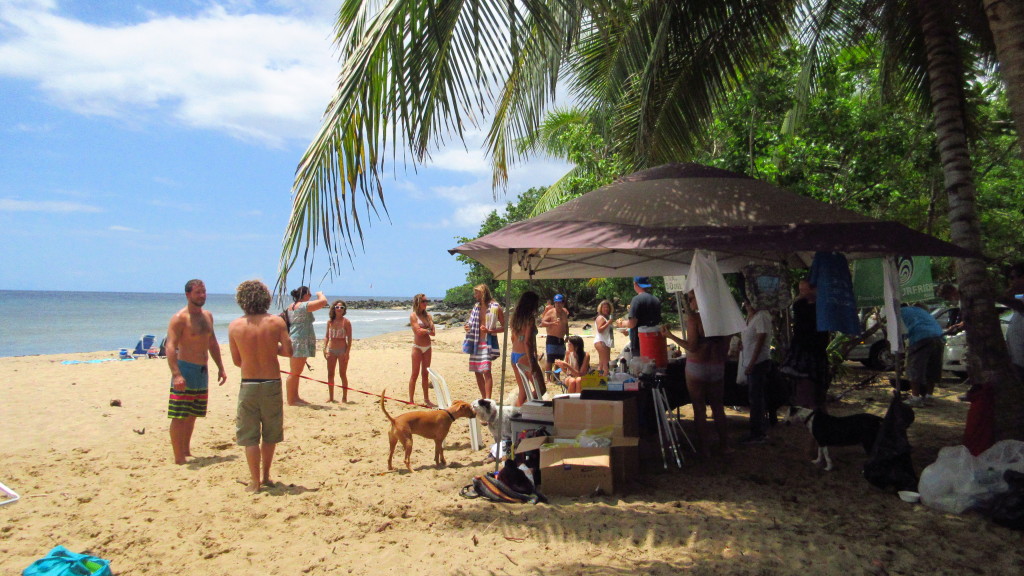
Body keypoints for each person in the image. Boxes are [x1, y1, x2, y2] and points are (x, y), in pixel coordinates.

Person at [228, 280, 293, 493]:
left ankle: (255, 481)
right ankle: (266, 475)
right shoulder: (276, 322)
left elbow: (237, 361)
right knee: (271, 432)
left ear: (242, 300)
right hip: (271, 382)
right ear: (265, 298)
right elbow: (288, 351)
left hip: (248, 383)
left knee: (250, 435)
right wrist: (270, 349)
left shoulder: (235, 326)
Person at [662, 290, 731, 458]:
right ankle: (724, 445)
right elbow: (727, 344)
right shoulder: (721, 318)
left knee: (699, 409)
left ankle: (704, 449)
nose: (690, 302)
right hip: (716, 366)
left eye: (692, 298)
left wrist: (670, 336)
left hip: (697, 367)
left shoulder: (695, 319)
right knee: (718, 407)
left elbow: (692, 347)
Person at [165, 279, 227, 465]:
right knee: (179, 415)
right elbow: (170, 346)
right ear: (188, 295)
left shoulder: (207, 316)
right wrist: (176, 374)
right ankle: (178, 457)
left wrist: (221, 367)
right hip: (185, 368)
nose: (202, 295)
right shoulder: (179, 318)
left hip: (202, 370)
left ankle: (186, 449)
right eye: (198, 292)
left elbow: (212, 343)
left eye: (204, 292)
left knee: (193, 414)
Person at [786, 279, 831, 410]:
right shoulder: (799, 305)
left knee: (816, 386)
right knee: (804, 384)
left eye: (804, 289)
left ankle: (817, 410)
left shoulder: (822, 305)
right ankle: (806, 407)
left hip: (817, 349)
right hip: (802, 348)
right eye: (800, 290)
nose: (802, 292)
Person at [284, 286, 328, 406]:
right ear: (304, 295)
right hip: (299, 341)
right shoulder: (303, 306)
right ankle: (292, 399)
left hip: (297, 339)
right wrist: (320, 294)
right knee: (294, 372)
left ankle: (295, 397)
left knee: (296, 372)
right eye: (309, 294)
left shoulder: (292, 306)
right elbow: (323, 302)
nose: (310, 296)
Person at [738, 299, 773, 444]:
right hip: (750, 361)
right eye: (746, 303)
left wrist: (752, 363)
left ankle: (758, 433)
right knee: (754, 398)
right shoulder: (749, 316)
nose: (748, 306)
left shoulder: (762, 316)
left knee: (756, 398)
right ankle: (756, 431)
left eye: (751, 303)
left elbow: (760, 340)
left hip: (759, 362)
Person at [900, 303, 945, 407]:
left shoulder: (899, 313)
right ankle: (929, 397)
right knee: (933, 367)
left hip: (920, 337)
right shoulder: (920, 311)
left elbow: (899, 336)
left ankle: (915, 398)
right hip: (939, 336)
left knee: (914, 367)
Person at [465, 284, 502, 399]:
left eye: (477, 293)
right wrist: (467, 327)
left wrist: (489, 330)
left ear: (483, 293)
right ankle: (483, 397)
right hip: (475, 341)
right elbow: (470, 323)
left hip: (487, 342)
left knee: (486, 371)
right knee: (477, 371)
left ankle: (488, 399)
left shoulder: (495, 307)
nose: (475, 296)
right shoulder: (476, 307)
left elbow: (505, 327)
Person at [510, 291, 541, 405]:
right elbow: (527, 342)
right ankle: (526, 408)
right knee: (540, 389)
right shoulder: (529, 319)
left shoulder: (515, 317)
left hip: (514, 355)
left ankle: (518, 411)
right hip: (524, 355)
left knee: (523, 391)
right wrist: (531, 361)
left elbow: (513, 338)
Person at [617, 277, 662, 357]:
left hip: (640, 341)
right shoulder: (656, 299)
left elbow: (632, 323)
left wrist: (622, 323)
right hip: (655, 338)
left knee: (640, 366)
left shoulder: (636, 299)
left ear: (635, 284)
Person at [408, 294, 436, 406]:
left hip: (427, 347)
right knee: (414, 374)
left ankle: (426, 399)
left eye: (427, 301)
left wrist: (425, 330)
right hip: (417, 347)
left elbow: (433, 333)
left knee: (425, 374)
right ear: (418, 302)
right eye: (424, 301)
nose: (426, 303)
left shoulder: (429, 316)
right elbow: (417, 332)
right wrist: (427, 329)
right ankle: (411, 400)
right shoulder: (413, 316)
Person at [323, 300, 352, 403]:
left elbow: (349, 338)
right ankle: (331, 397)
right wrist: (324, 348)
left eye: (341, 308)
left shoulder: (346, 322)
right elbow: (327, 336)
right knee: (330, 374)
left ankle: (344, 398)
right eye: (337, 307)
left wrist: (347, 353)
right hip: (331, 349)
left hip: (342, 350)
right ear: (334, 309)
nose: (339, 309)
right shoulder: (330, 322)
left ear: (344, 310)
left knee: (342, 374)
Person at [541, 293, 569, 381]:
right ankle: (548, 378)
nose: (558, 304)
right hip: (552, 338)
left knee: (560, 360)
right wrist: (552, 323)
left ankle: (556, 377)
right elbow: (542, 323)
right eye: (556, 303)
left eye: (560, 303)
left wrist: (567, 335)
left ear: (563, 303)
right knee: (550, 360)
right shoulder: (550, 312)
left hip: (561, 339)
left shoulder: (565, 312)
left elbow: (566, 325)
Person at [593, 300, 615, 375]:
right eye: (604, 307)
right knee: (606, 364)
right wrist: (608, 323)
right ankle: (604, 380)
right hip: (601, 342)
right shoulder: (600, 318)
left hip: (606, 342)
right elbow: (600, 330)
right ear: (601, 309)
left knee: (602, 363)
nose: (606, 309)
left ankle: (599, 379)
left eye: (607, 307)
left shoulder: (606, 318)